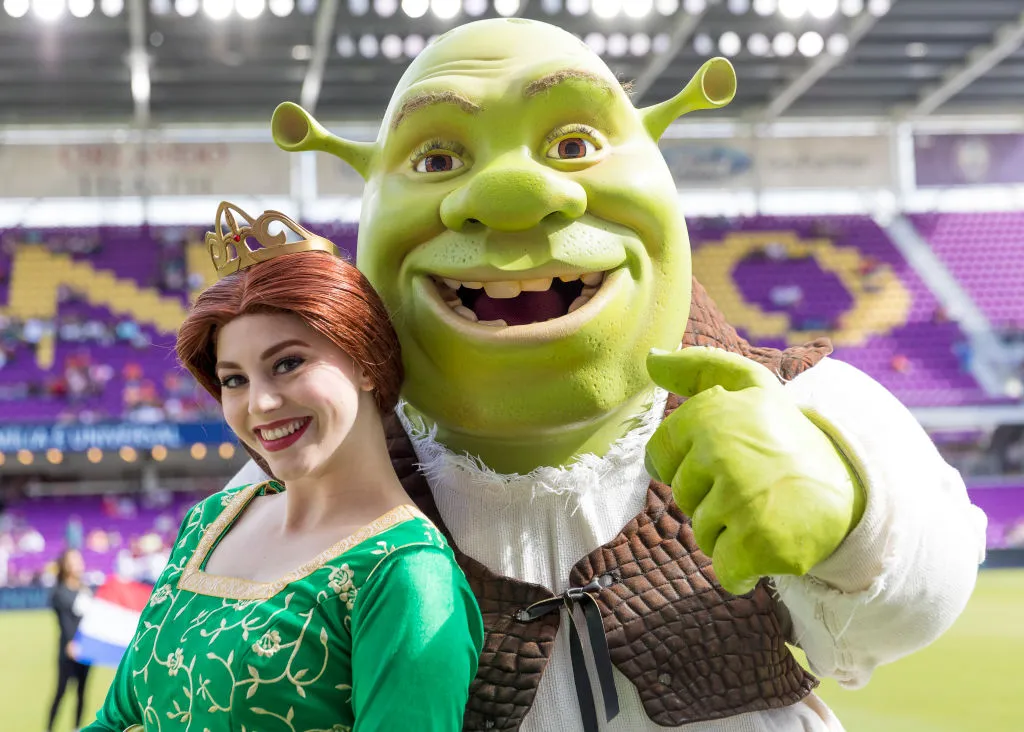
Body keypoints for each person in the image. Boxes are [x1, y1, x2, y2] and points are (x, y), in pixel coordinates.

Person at [250, 19, 987, 732]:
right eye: (438, 160)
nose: (513, 196)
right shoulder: (318, 470)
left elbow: (928, 584)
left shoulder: (799, 403)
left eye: (573, 144)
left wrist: (851, 511)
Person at [84, 203, 483, 731]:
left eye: (288, 363)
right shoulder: (210, 522)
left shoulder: (406, 576)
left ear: (367, 361)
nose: (261, 404)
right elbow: (120, 717)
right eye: (234, 380)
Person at [47, 548, 92, 732]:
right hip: (68, 650)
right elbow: (65, 622)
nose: (78, 563)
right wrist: (70, 643)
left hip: (86, 650)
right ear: (65, 565)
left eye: (79, 559)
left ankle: (77, 728)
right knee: (61, 692)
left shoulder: (85, 589)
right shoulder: (59, 592)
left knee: (82, 692)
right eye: (73, 560)